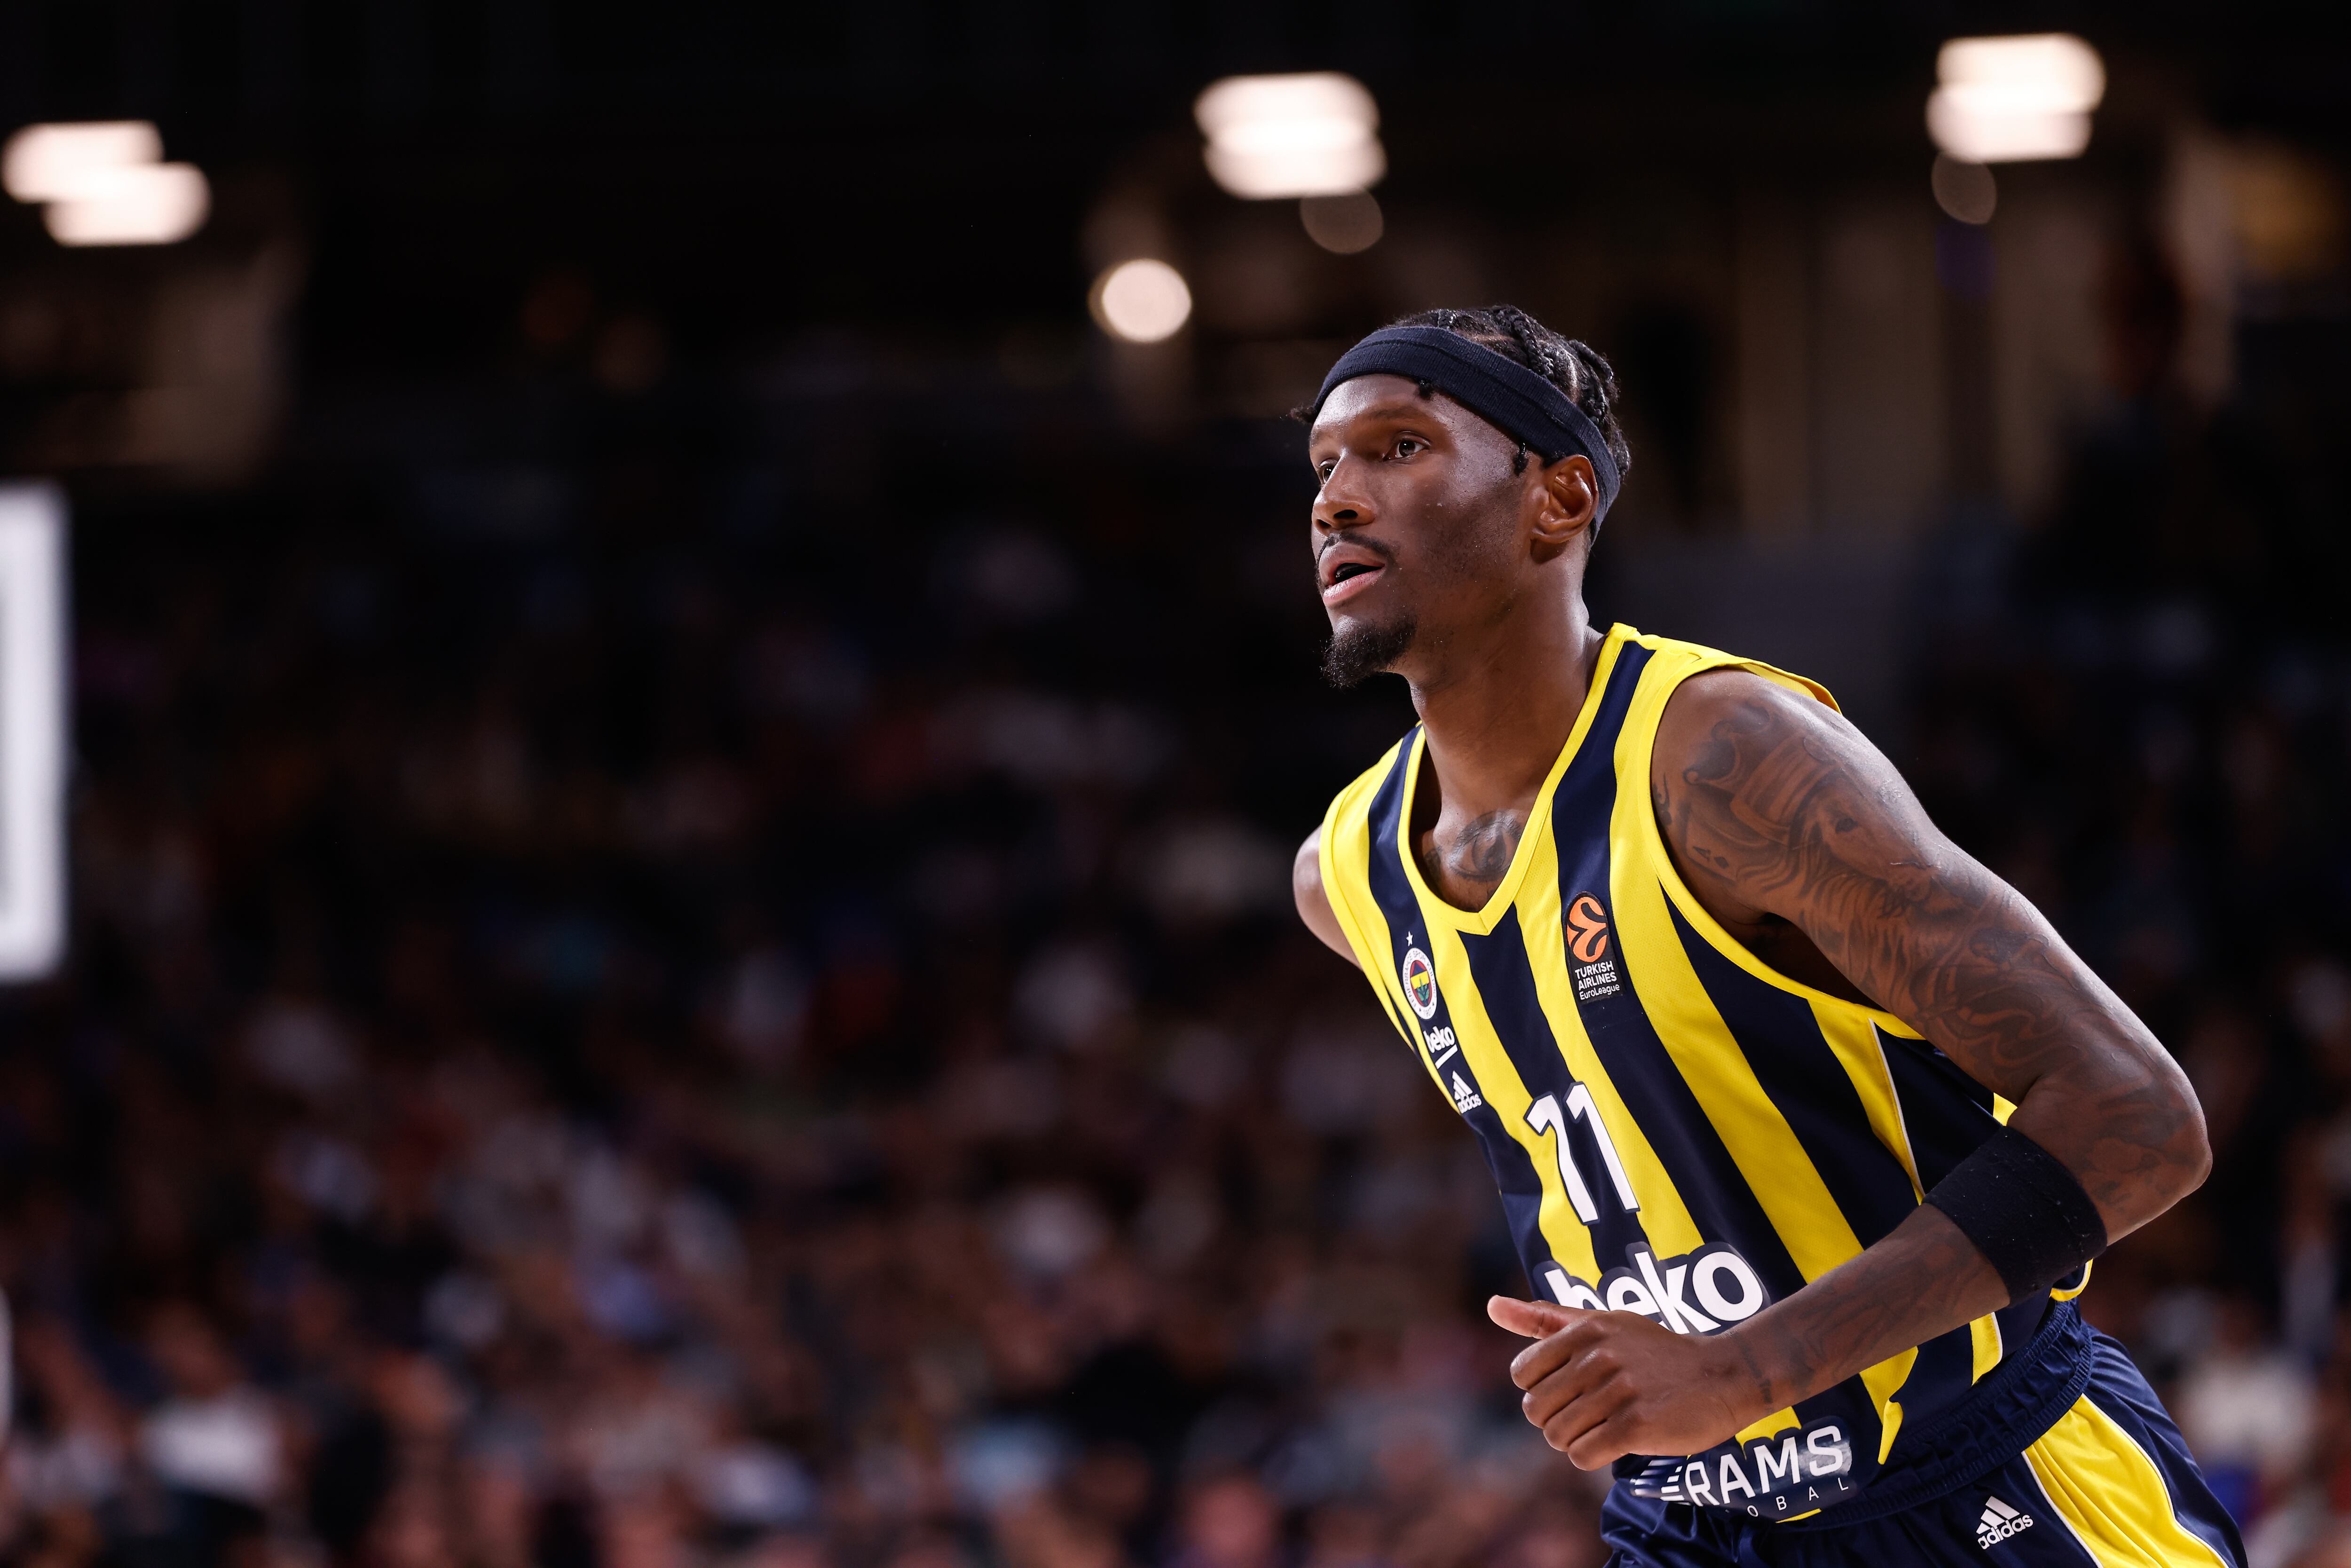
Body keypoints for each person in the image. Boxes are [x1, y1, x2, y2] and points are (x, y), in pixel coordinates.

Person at [1289, 307, 2243, 1566]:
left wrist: (1746, 1371)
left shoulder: (1725, 762)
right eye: (1324, 467)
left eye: (1399, 449)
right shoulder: (1345, 878)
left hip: (1983, 1485)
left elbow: (2139, 1121)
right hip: (1698, 1519)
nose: (1338, 501)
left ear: (1557, 501)